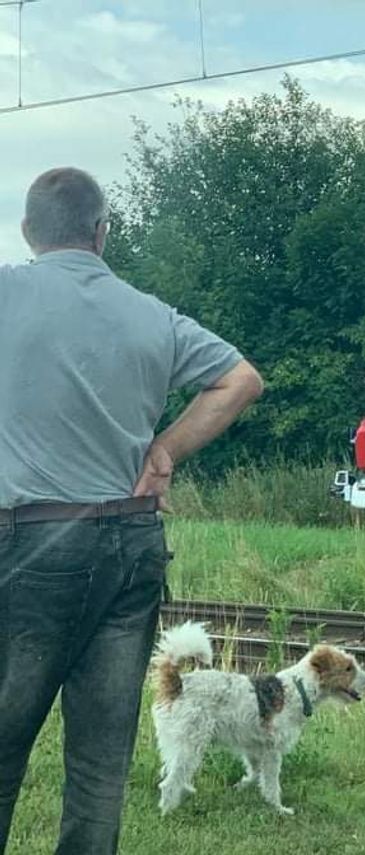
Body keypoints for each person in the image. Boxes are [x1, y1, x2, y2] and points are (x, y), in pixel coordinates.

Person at [0, 167, 263, 854]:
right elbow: (241, 380)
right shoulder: (152, 313)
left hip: (32, 544)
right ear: (102, 232)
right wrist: (165, 448)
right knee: (99, 763)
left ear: (27, 232)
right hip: (132, 541)